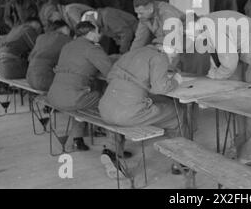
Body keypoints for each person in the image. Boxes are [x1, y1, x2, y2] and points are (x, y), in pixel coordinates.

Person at [186, 10, 251, 160]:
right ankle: (240, 144)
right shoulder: (205, 24)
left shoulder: (213, 29)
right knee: (239, 102)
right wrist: (213, 72)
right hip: (245, 51)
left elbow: (229, 63)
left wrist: (214, 75)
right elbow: (213, 54)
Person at [98, 45, 184, 172]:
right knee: (177, 113)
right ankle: (181, 161)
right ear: (171, 53)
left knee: (119, 112)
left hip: (105, 108)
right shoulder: (160, 56)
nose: (169, 62)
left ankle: (112, 151)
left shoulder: (132, 53)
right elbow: (160, 88)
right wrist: (176, 80)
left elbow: (110, 76)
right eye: (171, 59)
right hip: (128, 114)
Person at [47, 21, 112, 151]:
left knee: (84, 95)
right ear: (91, 33)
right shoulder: (92, 48)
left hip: (54, 96)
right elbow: (110, 71)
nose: (100, 35)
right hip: (73, 98)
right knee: (109, 101)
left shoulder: (67, 46)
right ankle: (113, 149)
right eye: (98, 32)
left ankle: (78, 138)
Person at [26, 20, 72, 91]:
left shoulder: (41, 37)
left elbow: (29, 58)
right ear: (64, 28)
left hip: (30, 79)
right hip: (45, 80)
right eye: (68, 29)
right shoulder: (66, 39)